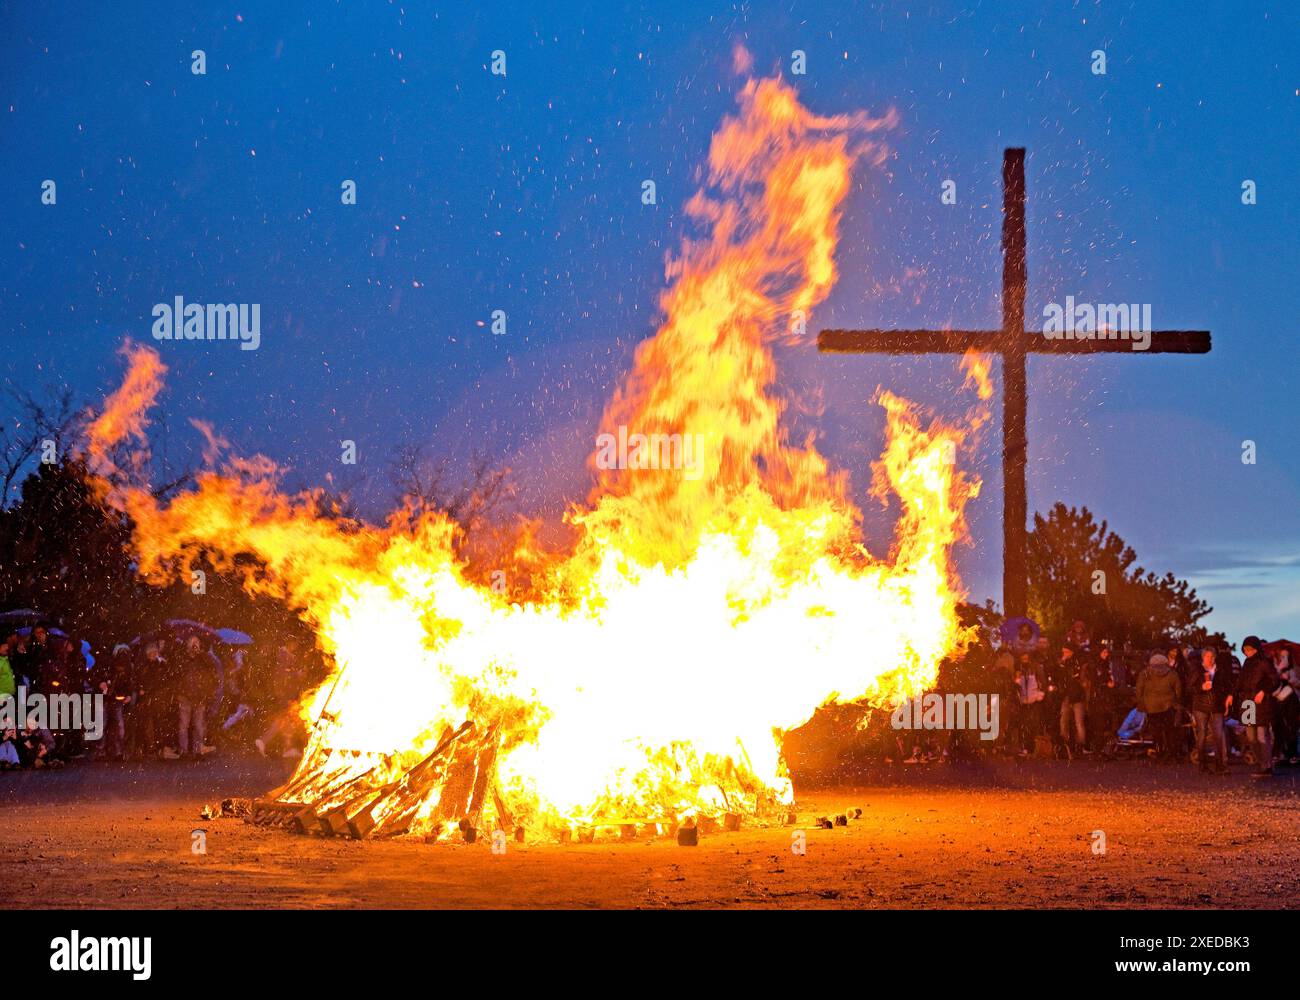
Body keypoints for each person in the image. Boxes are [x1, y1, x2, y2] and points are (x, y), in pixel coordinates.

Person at [1233, 636, 1279, 777]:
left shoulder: (1264, 662)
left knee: (1262, 736)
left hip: (1260, 703)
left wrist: (1264, 691)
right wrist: (1233, 694)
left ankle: (1267, 767)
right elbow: (1240, 682)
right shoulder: (1246, 663)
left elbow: (1275, 680)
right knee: (1251, 737)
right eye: (1245, 650)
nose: (1248, 652)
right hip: (1248, 703)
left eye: (1250, 649)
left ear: (1256, 649)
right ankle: (1262, 763)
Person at [173, 636, 221, 760]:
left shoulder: (204, 659)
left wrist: (201, 655)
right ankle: (183, 751)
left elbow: (212, 672)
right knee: (183, 725)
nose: (194, 644)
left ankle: (198, 750)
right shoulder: (182, 658)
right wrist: (178, 691)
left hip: (200, 697)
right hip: (185, 696)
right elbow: (176, 675)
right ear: (187, 644)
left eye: (197, 642)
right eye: (192, 642)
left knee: (199, 726)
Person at [1190, 647, 1231, 773]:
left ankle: (1221, 765)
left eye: (1212, 657)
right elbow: (1189, 688)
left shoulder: (1220, 670)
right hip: (1201, 706)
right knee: (1202, 735)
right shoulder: (1197, 670)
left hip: (1217, 706)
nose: (1210, 659)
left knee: (1219, 735)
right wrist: (1201, 687)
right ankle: (1203, 763)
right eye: (1207, 656)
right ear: (1203, 657)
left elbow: (1226, 686)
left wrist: (1228, 698)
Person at [1136, 652, 1182, 762]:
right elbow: (1178, 689)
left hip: (1151, 707)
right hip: (1168, 706)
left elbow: (1139, 690)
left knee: (1156, 731)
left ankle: (1159, 752)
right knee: (1169, 730)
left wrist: (1142, 703)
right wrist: (1176, 701)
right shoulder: (1172, 673)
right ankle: (1171, 753)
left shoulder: (1145, 673)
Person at [1054, 644, 1088, 755]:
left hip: (1077, 697)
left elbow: (1080, 680)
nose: (1064, 654)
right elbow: (1059, 677)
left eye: (1066, 652)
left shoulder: (1077, 663)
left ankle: (1080, 745)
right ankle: (1065, 743)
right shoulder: (1063, 665)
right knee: (1063, 720)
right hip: (1067, 696)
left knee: (1079, 722)